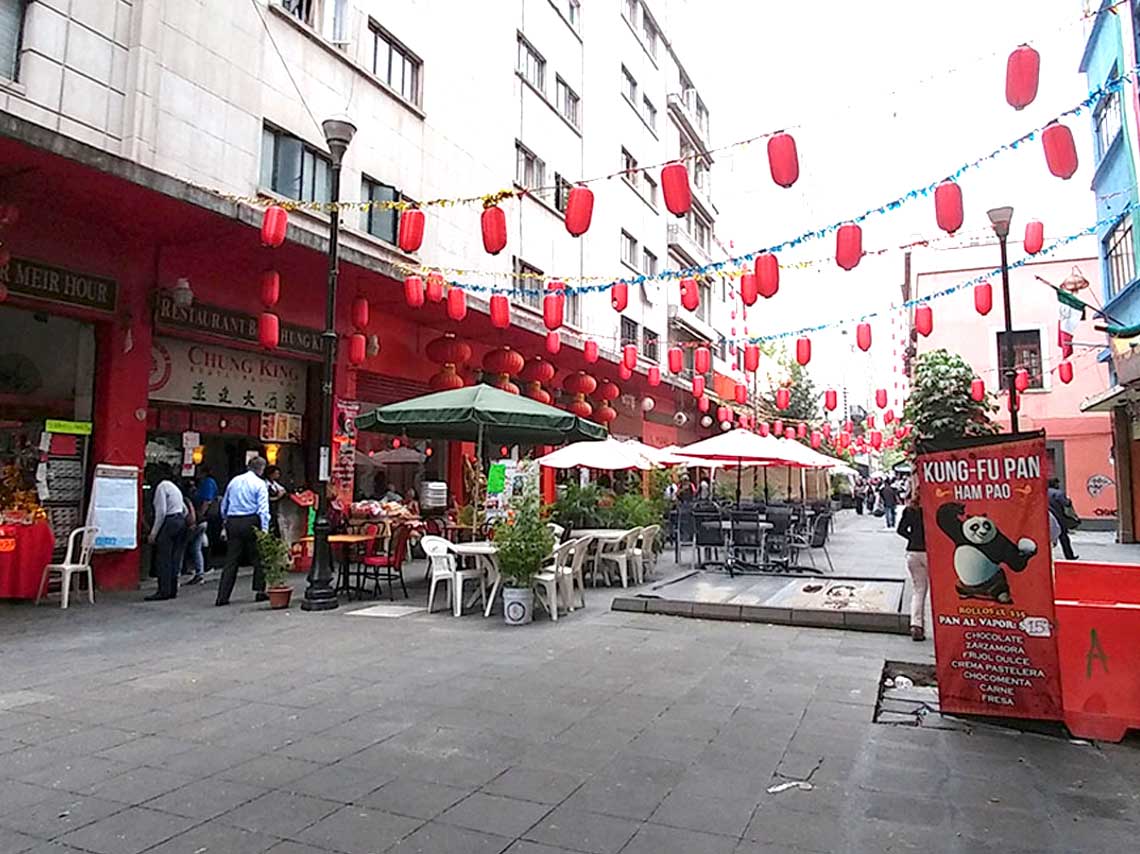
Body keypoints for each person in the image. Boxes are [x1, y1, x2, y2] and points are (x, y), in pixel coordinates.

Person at [216, 456, 270, 606]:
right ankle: (260, 590)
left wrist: (225, 520)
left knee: (231, 559)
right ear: (261, 468)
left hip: (233, 520)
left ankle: (223, 595)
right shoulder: (259, 484)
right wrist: (264, 530)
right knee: (258, 557)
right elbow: (263, 510)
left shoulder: (234, 481)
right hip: (251, 520)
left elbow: (224, 504)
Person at [147, 467, 187, 601]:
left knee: (163, 558)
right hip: (180, 519)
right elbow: (184, 509)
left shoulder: (161, 488)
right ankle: (172, 589)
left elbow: (161, 511)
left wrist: (154, 532)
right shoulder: (174, 488)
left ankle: (163, 590)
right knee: (175, 557)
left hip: (169, 521)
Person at [896, 493, 928, 641]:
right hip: (931, 553)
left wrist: (913, 538)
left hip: (913, 552)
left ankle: (916, 625)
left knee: (918, 590)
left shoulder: (910, 510)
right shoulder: (932, 509)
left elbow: (900, 530)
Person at [1047, 477, 1079, 560]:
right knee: (1064, 537)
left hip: (1047, 517)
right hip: (1058, 518)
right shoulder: (1058, 493)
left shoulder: (1043, 492)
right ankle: (1069, 555)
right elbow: (1066, 503)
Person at [265, 465, 286, 536]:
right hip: (269, 508)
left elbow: (282, 489)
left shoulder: (274, 483)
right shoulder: (266, 484)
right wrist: (277, 497)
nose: (278, 475)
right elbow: (266, 498)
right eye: (277, 474)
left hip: (275, 509)